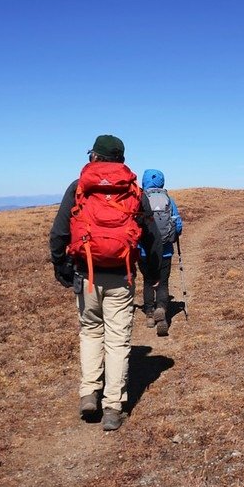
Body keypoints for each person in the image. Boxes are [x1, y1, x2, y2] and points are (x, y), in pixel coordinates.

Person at [49, 135, 161, 431]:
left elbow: (59, 232)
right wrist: (152, 275)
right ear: (121, 158)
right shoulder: (133, 190)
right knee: (117, 339)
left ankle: (89, 393)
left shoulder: (79, 187)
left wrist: (61, 266)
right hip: (121, 276)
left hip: (86, 273)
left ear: (95, 157)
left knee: (90, 332)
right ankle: (113, 406)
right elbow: (152, 237)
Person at [139, 169, 183, 336]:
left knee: (148, 281)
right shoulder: (168, 200)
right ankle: (162, 309)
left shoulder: (140, 199)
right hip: (165, 251)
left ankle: (150, 314)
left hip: (144, 250)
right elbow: (177, 225)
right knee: (163, 282)